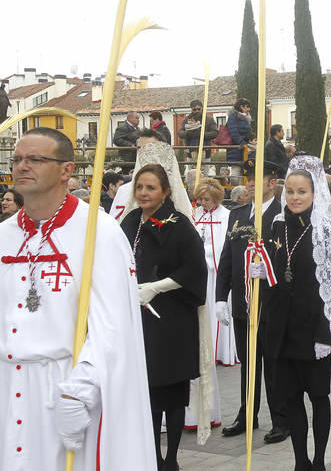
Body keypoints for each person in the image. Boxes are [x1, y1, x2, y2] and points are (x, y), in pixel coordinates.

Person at [0, 127, 155, 470]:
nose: (23, 166)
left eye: (36, 159)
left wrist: (79, 391)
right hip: (8, 385)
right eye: (18, 159)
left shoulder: (98, 233)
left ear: (67, 170)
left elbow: (113, 326)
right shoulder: (4, 235)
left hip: (67, 385)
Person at [262, 154, 331, 471]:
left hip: (313, 330)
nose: (295, 197)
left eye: (302, 192)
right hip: (282, 330)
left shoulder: (324, 229)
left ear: (315, 194)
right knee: (290, 400)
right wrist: (261, 270)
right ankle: (300, 459)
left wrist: (325, 335)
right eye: (290, 191)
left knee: (317, 398)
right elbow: (273, 272)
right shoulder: (276, 225)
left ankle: (319, 460)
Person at [120, 163, 208, 471]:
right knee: (148, 390)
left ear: (166, 192)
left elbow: (195, 268)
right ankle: (152, 455)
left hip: (172, 319)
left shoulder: (179, 224)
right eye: (140, 187)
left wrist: (157, 287)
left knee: (171, 391)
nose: (143, 193)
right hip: (139, 319)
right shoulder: (130, 221)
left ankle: (170, 459)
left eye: (150, 188)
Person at [216, 159, 290, 443]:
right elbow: (227, 256)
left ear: (272, 182)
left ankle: (281, 419)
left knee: (273, 363)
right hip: (243, 304)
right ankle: (248, 414)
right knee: (249, 364)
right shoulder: (238, 214)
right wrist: (221, 297)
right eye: (247, 177)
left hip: (272, 303)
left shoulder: (281, 215)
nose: (248, 182)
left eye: (256, 177)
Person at [188, 179, 231, 431]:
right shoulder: (195, 215)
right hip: (200, 272)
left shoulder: (225, 215)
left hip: (215, 272)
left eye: (207, 199)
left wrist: (211, 257)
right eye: (201, 199)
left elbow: (222, 245)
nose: (203, 203)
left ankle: (221, 349)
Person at [110, 129, 179, 222]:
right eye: (140, 149)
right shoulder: (123, 191)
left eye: (149, 148)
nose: (143, 154)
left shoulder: (176, 190)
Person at [226, 98, 252, 178]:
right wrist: (244, 144)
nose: (249, 109)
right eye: (247, 107)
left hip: (244, 148)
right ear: (242, 107)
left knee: (244, 172)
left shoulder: (246, 118)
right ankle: (235, 189)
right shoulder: (233, 117)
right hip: (235, 148)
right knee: (236, 174)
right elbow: (234, 133)